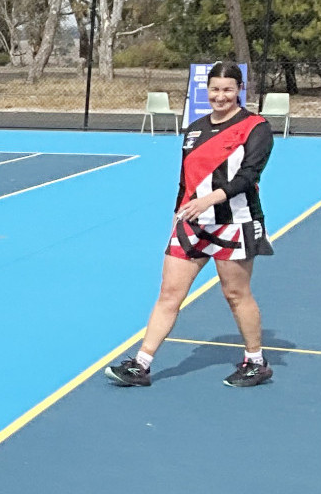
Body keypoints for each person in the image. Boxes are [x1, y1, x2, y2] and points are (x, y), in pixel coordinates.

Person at [107, 60, 277, 389]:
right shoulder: (195, 129)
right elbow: (186, 179)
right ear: (207, 90)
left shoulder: (255, 127)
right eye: (215, 89)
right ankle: (141, 364)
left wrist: (208, 200)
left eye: (228, 89)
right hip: (192, 224)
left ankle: (256, 361)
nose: (221, 96)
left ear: (240, 90)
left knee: (235, 294)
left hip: (234, 222)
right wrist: (179, 210)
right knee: (169, 293)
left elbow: (248, 177)